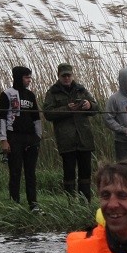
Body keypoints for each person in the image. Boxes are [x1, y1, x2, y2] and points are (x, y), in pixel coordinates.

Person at [42, 63, 99, 199]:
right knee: (69, 174)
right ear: (59, 76)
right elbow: (48, 113)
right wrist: (67, 109)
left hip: (84, 139)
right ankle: (70, 203)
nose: (67, 78)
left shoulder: (81, 90)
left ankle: (85, 202)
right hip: (66, 140)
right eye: (64, 76)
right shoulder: (52, 92)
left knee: (86, 173)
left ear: (72, 75)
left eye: (69, 75)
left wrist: (89, 105)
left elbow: (96, 108)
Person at [0, 65, 43, 210]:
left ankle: (33, 204)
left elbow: (36, 117)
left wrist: (38, 136)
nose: (29, 80)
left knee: (31, 172)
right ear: (18, 77)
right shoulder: (6, 94)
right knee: (15, 171)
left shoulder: (31, 95)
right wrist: (3, 140)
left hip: (30, 137)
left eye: (30, 77)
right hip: (14, 136)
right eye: (26, 77)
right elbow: (2, 118)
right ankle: (14, 204)